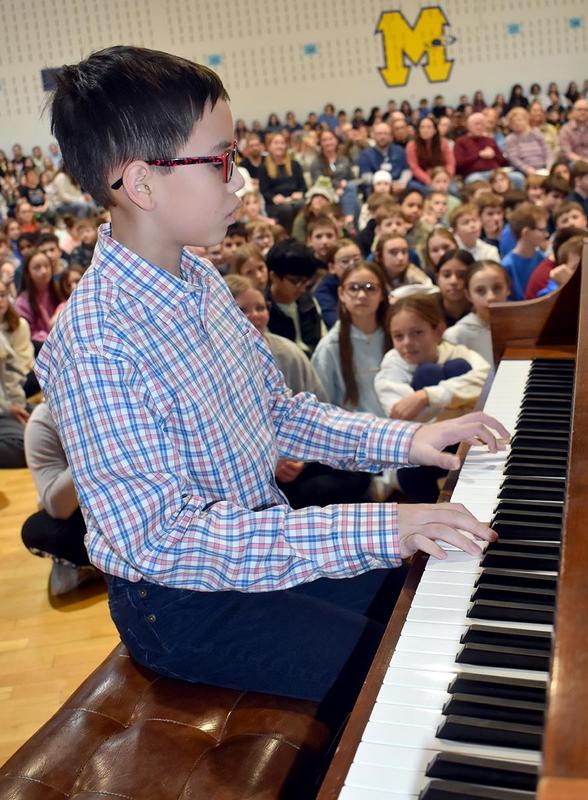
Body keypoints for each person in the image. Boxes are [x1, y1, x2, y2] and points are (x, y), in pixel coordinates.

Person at [36, 46, 504, 717]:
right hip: (184, 604)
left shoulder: (199, 280)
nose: (241, 181)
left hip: (258, 545)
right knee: (406, 684)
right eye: (222, 159)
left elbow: (277, 412)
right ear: (141, 183)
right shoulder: (97, 342)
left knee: (440, 596)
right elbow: (165, 540)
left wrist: (410, 441)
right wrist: (382, 526)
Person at [375, 295, 489, 502]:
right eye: (398, 336)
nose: (408, 343)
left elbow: (485, 378)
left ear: (438, 330)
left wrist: (427, 395)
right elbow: (403, 412)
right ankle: (437, 509)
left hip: (460, 436)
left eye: (417, 333)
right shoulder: (391, 366)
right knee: (427, 374)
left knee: (458, 367)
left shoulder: (454, 351)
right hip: (418, 445)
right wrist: (459, 402)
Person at [22, 403, 101, 594]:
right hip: (85, 516)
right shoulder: (43, 420)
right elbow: (58, 507)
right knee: (37, 530)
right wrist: (96, 450)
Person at [311, 260, 390, 417]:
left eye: (370, 288)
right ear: (341, 294)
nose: (361, 295)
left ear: (382, 294)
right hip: (355, 435)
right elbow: (320, 406)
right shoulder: (330, 346)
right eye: (353, 288)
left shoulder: (397, 335)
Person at [444, 260, 511, 366]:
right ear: (468, 295)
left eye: (497, 288)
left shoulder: (524, 328)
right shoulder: (455, 336)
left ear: (508, 289)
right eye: (480, 291)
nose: (491, 297)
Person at [15, 250, 61, 354]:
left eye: (46, 266)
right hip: (40, 351)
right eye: (37, 268)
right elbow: (27, 336)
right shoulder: (21, 302)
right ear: (28, 273)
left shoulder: (59, 291)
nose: (44, 271)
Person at [259, 133, 307, 232]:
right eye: (276, 143)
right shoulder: (264, 167)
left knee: (301, 205)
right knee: (286, 210)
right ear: (269, 146)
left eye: (282, 143)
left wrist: (300, 193)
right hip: (275, 203)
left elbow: (303, 185)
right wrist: (273, 197)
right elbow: (264, 190)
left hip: (293, 200)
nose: (279, 146)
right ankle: (287, 236)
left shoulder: (294, 164)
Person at [501, 202, 549, 300]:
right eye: (542, 230)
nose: (546, 234)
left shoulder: (542, 259)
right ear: (526, 232)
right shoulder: (507, 265)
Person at [314, 239, 362, 329]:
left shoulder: (371, 280)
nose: (352, 265)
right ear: (332, 267)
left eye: (356, 259)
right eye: (345, 261)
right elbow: (335, 322)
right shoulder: (323, 291)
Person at [454, 113, 509, 186]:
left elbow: (504, 162)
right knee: (476, 181)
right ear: (468, 126)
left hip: (495, 173)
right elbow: (459, 164)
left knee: (517, 177)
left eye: (482, 124)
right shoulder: (461, 142)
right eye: (476, 124)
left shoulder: (490, 140)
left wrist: (494, 155)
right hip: (474, 174)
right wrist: (479, 155)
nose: (479, 127)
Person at [358, 122, 411, 196]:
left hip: (398, 186)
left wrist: (402, 183)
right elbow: (366, 176)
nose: (382, 137)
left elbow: (406, 170)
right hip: (376, 188)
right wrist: (386, 184)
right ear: (373, 135)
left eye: (385, 134)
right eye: (379, 134)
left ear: (390, 136)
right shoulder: (366, 154)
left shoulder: (400, 150)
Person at [0, 328, 28, 468]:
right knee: (25, 448)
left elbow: (11, 373)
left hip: (6, 407)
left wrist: (14, 406)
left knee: (51, 418)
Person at [374, 233, 433, 298]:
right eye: (393, 252)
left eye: (404, 252)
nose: (401, 257)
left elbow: (432, 290)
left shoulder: (414, 273)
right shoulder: (372, 276)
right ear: (379, 256)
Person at [405, 117, 455, 192]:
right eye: (422, 127)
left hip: (442, 176)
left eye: (429, 127)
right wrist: (429, 181)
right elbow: (414, 167)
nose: (425, 130)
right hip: (421, 180)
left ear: (435, 130)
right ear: (418, 130)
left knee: (454, 190)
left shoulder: (443, 143)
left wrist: (445, 178)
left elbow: (450, 163)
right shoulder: (411, 146)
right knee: (423, 190)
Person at [504, 108, 552, 177]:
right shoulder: (510, 139)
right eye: (513, 122)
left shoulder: (536, 133)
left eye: (519, 120)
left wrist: (549, 166)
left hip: (543, 168)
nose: (517, 123)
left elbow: (548, 151)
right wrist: (527, 169)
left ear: (526, 120)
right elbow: (514, 159)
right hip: (524, 171)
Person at [434, 248, 473, 326]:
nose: (453, 281)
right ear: (437, 279)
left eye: (462, 276)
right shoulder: (426, 311)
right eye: (447, 275)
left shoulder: (481, 310)